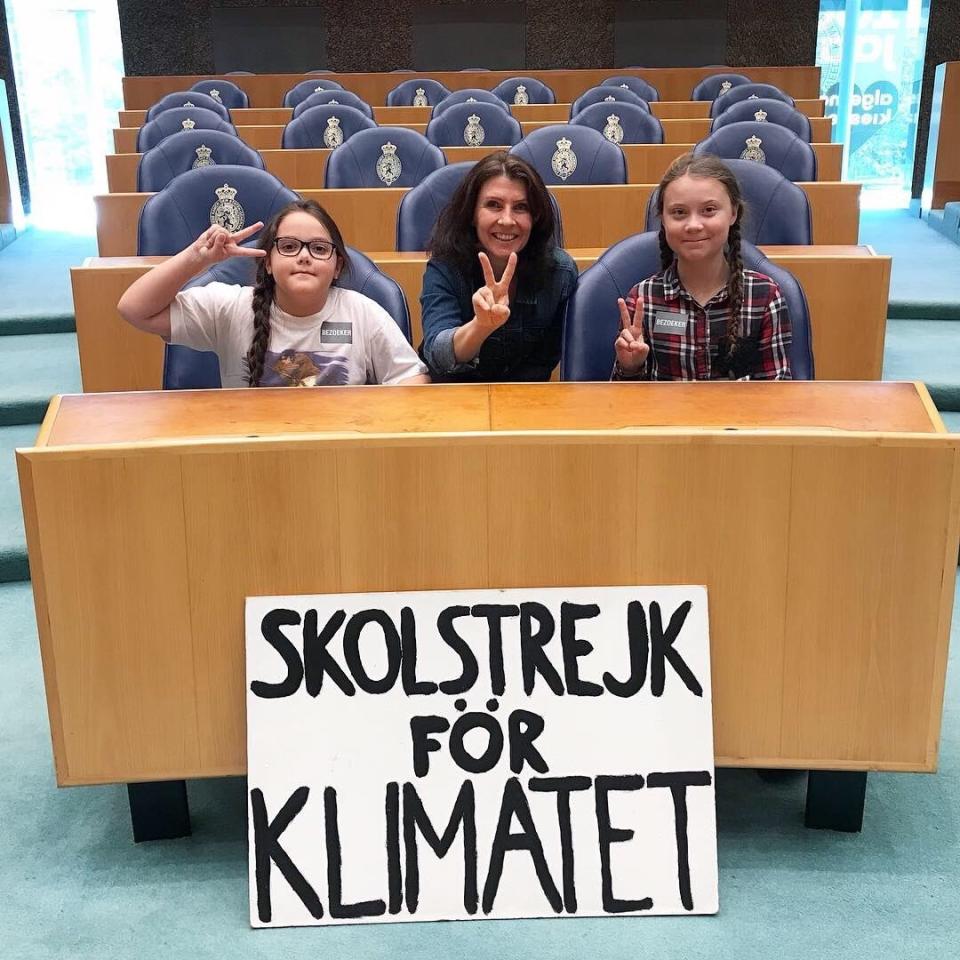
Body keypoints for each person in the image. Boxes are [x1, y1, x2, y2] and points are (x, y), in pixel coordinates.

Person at [118, 199, 429, 387]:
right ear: (267, 262)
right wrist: (197, 258)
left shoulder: (363, 312)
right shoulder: (232, 307)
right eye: (289, 247)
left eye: (319, 249)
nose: (304, 257)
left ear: (338, 266)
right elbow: (134, 309)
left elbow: (412, 379)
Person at [613, 153, 791, 381]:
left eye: (709, 210)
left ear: (733, 213)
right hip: (664, 417)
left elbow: (779, 395)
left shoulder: (765, 296)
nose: (693, 225)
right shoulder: (642, 300)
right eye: (679, 213)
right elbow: (625, 406)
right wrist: (630, 368)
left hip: (741, 416)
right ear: (663, 219)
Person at [419, 151, 578, 382]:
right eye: (494, 205)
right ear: (473, 214)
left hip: (528, 401)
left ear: (535, 217)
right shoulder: (445, 266)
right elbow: (437, 353)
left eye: (521, 207)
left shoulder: (560, 272)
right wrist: (480, 326)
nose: (507, 220)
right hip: (454, 399)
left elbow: (548, 360)